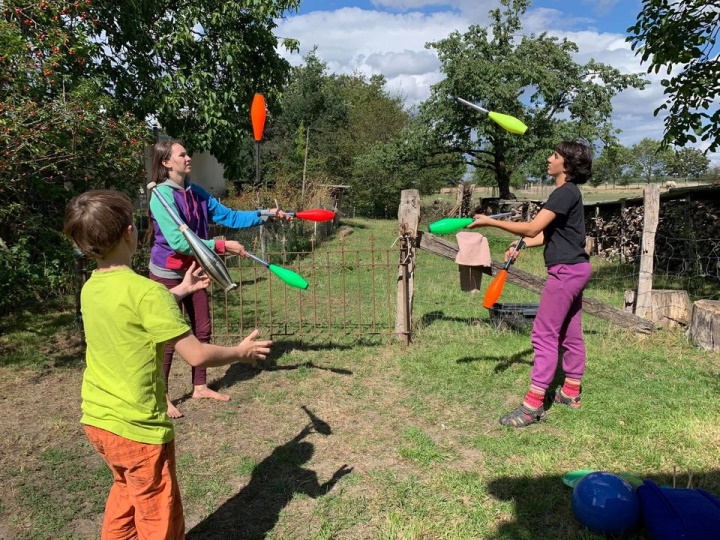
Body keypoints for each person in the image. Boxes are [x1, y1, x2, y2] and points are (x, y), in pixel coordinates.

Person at [64, 189, 272, 538]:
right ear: (130, 233)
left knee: (126, 492)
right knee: (158, 514)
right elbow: (197, 354)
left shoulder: (91, 287)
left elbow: (130, 314)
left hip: (98, 420)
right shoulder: (147, 293)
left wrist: (179, 292)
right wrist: (240, 352)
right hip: (138, 428)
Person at [147, 139, 289, 418]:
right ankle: (161, 396)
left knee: (203, 328)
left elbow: (231, 217)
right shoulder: (160, 196)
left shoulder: (196, 192)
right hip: (168, 274)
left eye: (187, 153)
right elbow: (178, 241)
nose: (188, 158)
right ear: (166, 163)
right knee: (165, 338)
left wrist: (267, 215)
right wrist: (222, 246)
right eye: (182, 154)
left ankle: (199, 386)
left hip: (197, 270)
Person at [468, 139, 593, 427]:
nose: (549, 159)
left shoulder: (563, 193)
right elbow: (552, 235)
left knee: (543, 334)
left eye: (555, 156)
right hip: (578, 268)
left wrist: (491, 222)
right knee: (570, 332)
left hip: (565, 273)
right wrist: (524, 244)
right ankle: (571, 392)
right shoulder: (571, 193)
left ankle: (533, 406)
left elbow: (534, 226)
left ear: (568, 165)